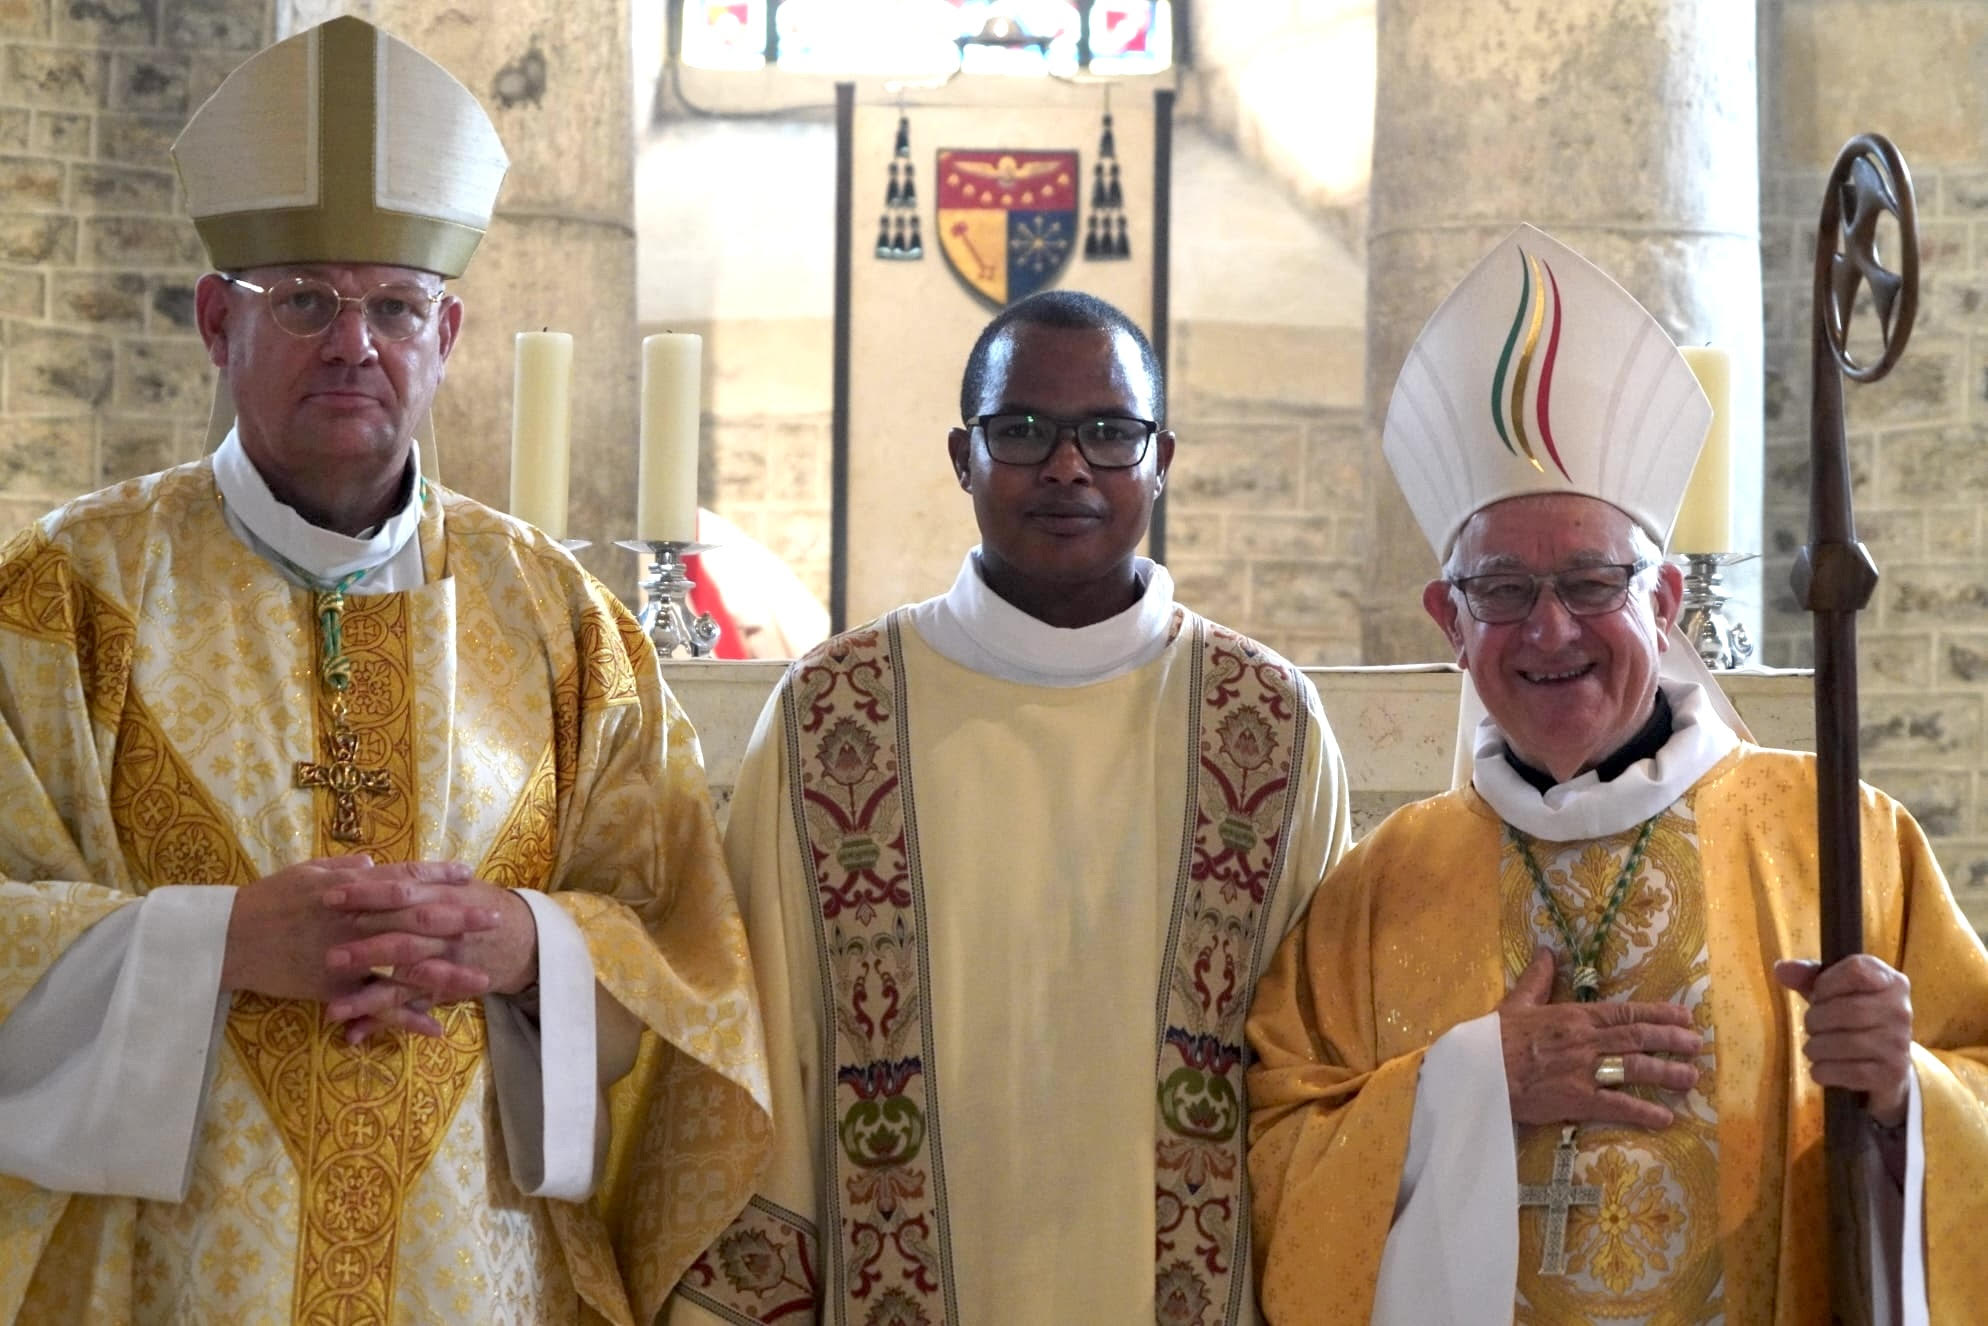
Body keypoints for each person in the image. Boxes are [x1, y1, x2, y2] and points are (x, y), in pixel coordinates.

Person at [0, 18, 770, 1325]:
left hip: (483, 1275)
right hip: (174, 1281)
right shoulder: (64, 601)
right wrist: (225, 939)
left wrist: (531, 942)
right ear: (213, 320)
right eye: (305, 300)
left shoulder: (565, 624)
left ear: (449, 330)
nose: (355, 343)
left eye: (395, 306)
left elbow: (694, 955)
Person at [1246, 225, 1988, 1323]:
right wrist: (1466, 1088)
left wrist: (1897, 1098)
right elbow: (1276, 1154)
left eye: (1592, 581)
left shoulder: (1838, 835)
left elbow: (1969, 1074)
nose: (1549, 630)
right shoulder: (1378, 884)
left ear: (1667, 599)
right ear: (1447, 619)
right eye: (1500, 591)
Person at [668, 290, 1350, 1324]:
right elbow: (752, 1062)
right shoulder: (831, 719)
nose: (1067, 466)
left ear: (1160, 456)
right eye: (1022, 429)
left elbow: (1318, 1070)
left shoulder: (1263, 726)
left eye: (1109, 433)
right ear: (962, 455)